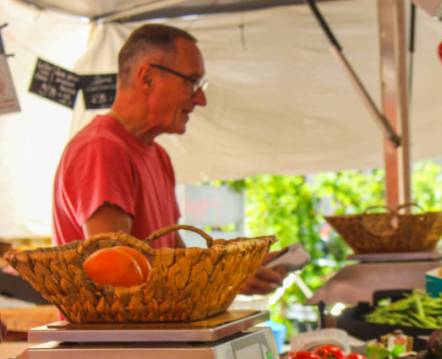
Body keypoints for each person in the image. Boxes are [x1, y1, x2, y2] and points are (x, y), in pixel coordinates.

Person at [52, 24, 284, 294]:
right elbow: (118, 276)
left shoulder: (158, 156)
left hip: (153, 335)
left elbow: (175, 258)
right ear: (147, 77)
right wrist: (222, 277)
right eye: (192, 81)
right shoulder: (101, 149)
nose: (201, 99)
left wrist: (237, 268)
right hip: (114, 337)